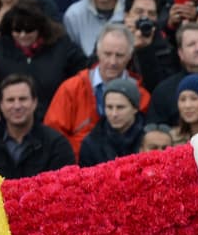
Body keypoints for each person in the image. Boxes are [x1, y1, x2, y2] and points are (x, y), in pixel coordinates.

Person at [45, 22, 150, 157]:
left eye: (119, 55)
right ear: (97, 53)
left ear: (130, 56)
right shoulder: (71, 89)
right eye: (107, 54)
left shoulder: (141, 96)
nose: (112, 62)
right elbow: (53, 137)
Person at [0, 0, 87, 119]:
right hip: (9, 122)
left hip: (55, 120)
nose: (22, 35)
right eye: (17, 30)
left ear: (40, 28)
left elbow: (83, 73)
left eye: (29, 29)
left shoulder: (62, 47)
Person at [0, 73, 76, 178]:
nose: (17, 106)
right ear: (1, 105)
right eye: (10, 100)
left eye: (23, 99)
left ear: (34, 102)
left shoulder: (56, 145)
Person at [78, 76, 146, 166]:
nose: (114, 114)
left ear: (135, 108)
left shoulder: (149, 138)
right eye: (109, 107)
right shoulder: (91, 143)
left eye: (120, 107)